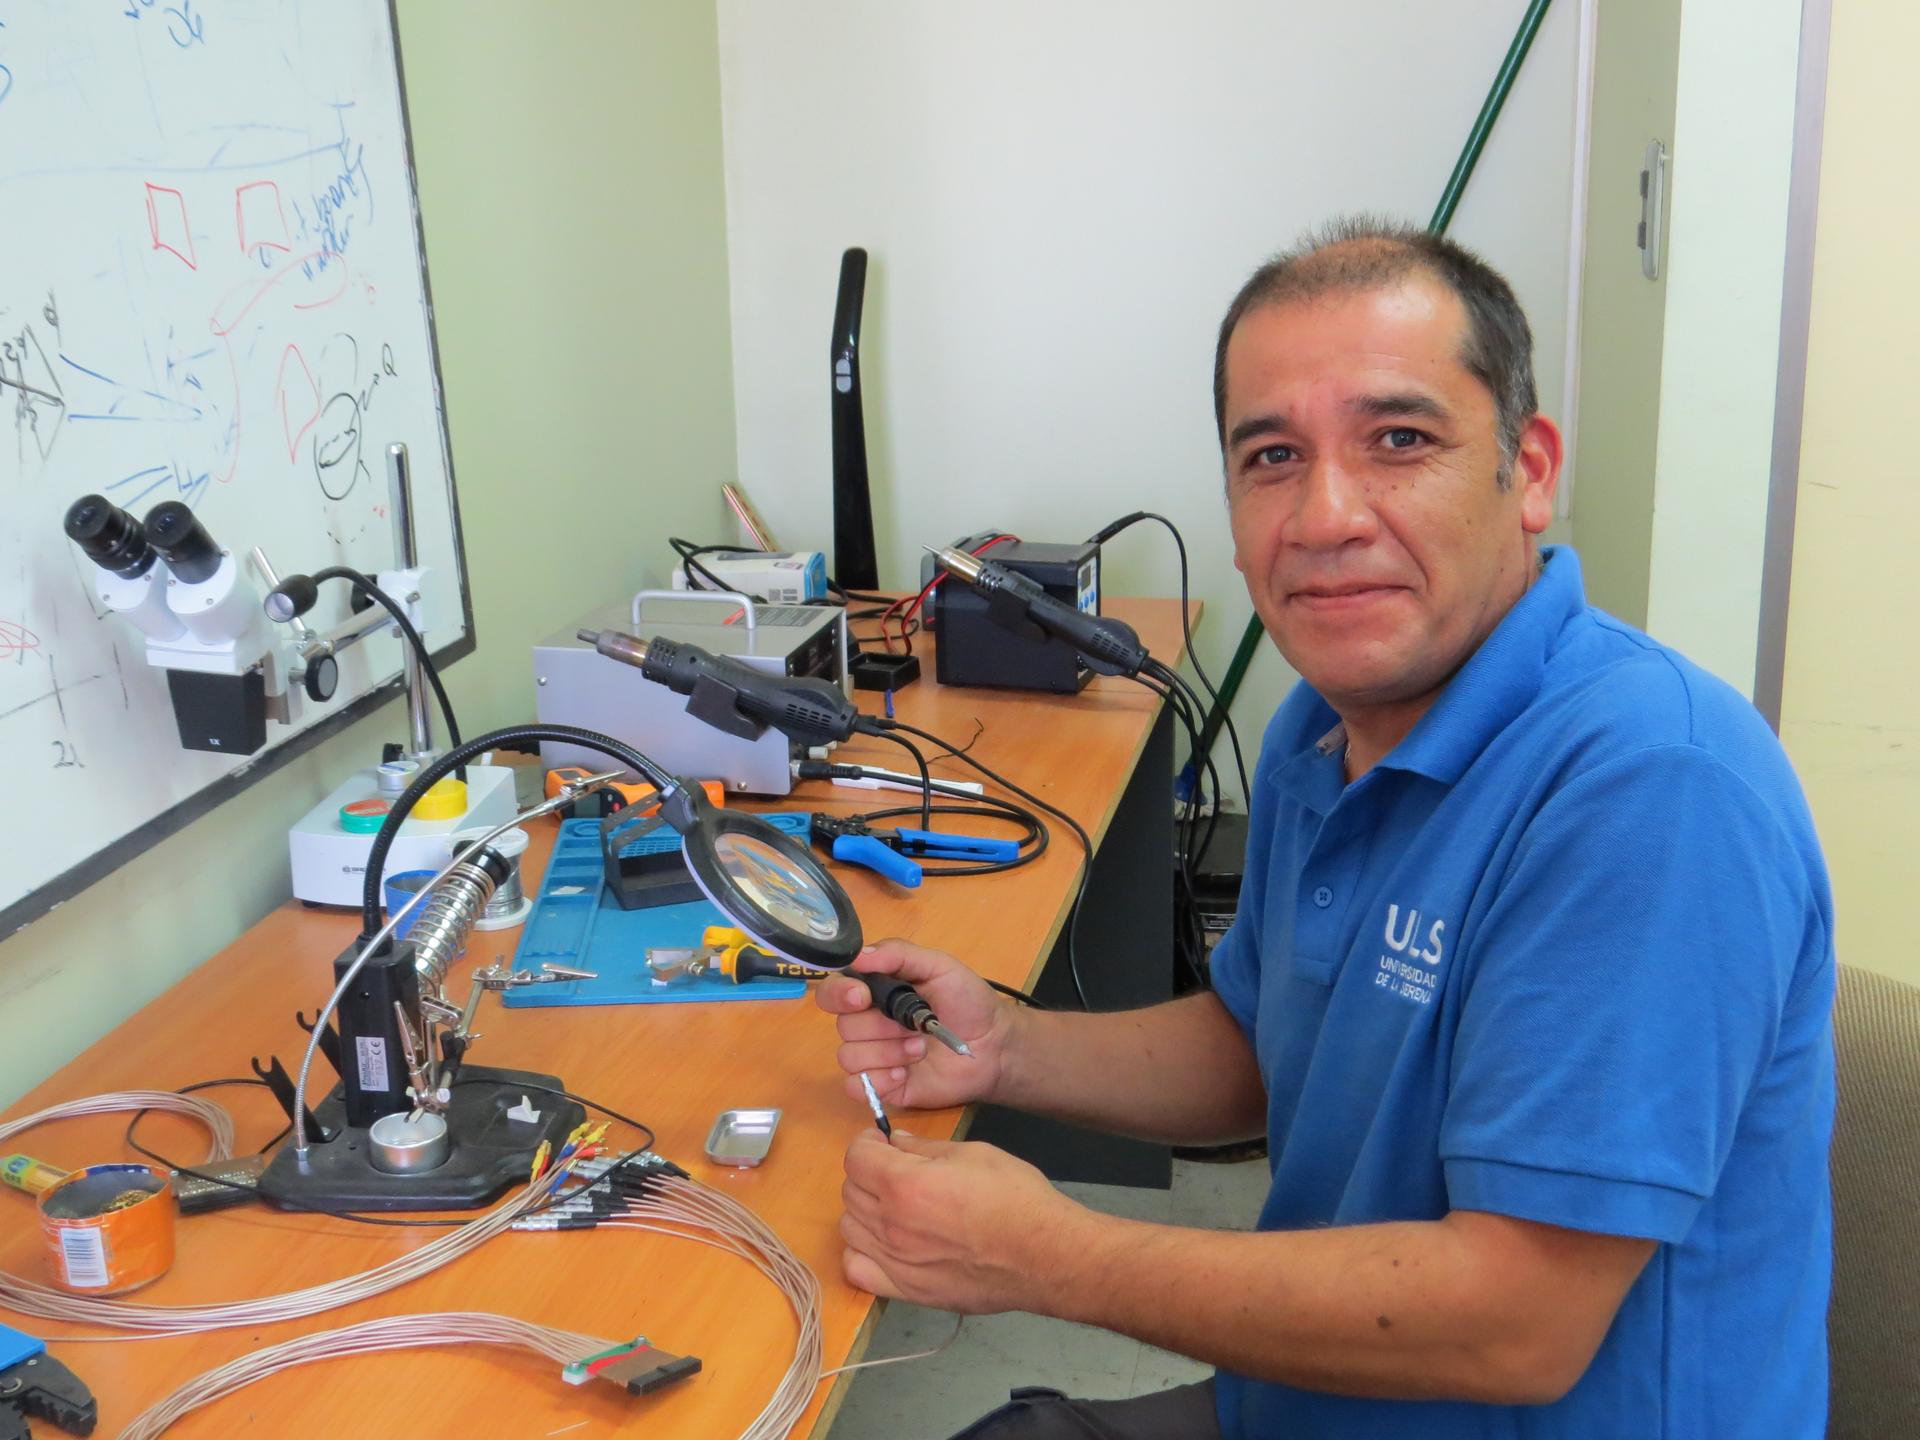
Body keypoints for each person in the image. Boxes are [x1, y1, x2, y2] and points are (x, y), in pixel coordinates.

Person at [817, 217, 1835, 1440]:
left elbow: (1515, 1322)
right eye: (1272, 458)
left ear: (1531, 470)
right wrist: (1011, 1052)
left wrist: (1048, 1256)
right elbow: (1266, 1035)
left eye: (1399, 440)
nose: (1325, 514)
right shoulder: (1326, 730)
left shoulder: (1650, 786)